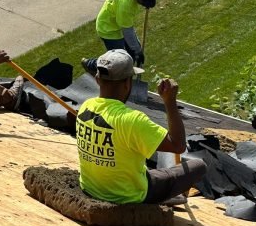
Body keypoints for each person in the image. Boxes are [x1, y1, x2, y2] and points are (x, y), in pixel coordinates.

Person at [76, 50, 206, 205]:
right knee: (198, 166)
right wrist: (170, 102)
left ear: (97, 79)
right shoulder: (132, 120)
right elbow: (178, 145)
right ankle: (160, 196)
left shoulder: (85, 107)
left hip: (90, 188)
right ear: (127, 83)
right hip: (130, 195)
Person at [81, 0, 157, 75]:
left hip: (118, 22)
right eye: (143, 2)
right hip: (108, 28)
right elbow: (128, 32)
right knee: (118, 62)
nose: (143, 4)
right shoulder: (126, 6)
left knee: (131, 55)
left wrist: (136, 50)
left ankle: (126, 74)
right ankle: (91, 65)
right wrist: (138, 51)